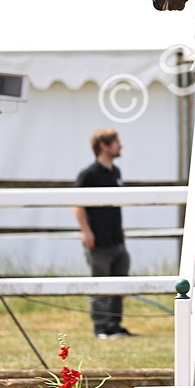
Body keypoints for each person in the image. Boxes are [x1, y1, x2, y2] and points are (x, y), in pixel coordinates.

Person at [73, 128, 134, 339]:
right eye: (116, 142)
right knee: (100, 284)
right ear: (103, 146)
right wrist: (86, 231)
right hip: (98, 241)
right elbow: (77, 205)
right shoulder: (89, 174)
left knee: (120, 283)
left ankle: (115, 325)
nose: (120, 146)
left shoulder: (116, 172)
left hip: (116, 239)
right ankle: (101, 328)